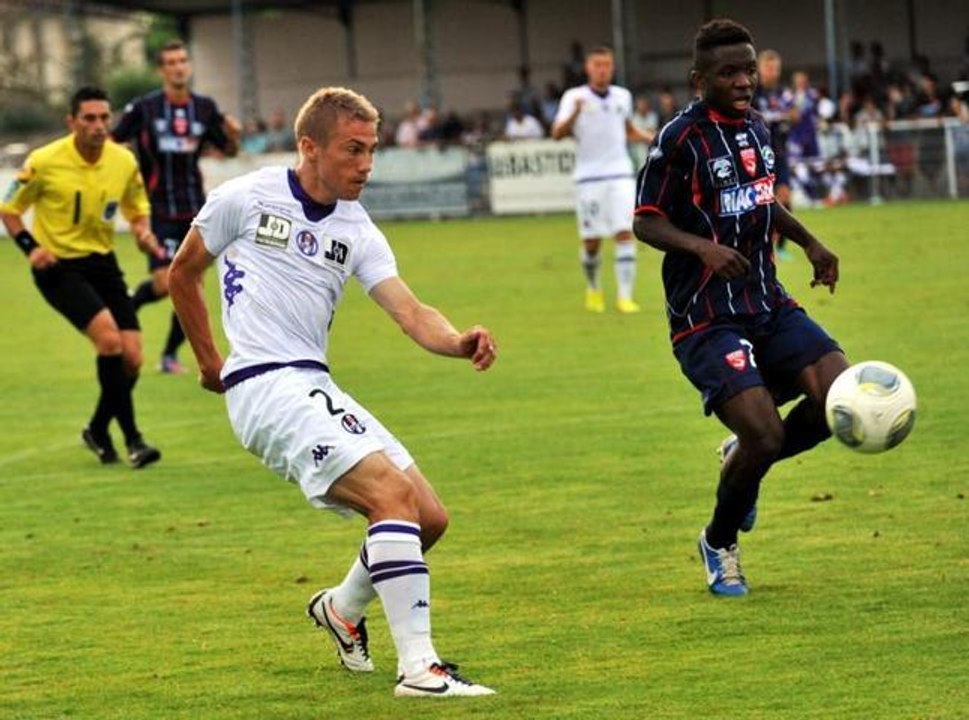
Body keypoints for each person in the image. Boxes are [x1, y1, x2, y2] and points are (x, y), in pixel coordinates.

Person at [168, 86, 497, 697]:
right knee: (391, 496)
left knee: (428, 518)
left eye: (372, 149)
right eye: (353, 149)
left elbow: (410, 312)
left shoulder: (357, 227)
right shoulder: (245, 197)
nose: (367, 164)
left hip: (311, 380)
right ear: (309, 147)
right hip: (266, 384)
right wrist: (211, 362)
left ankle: (342, 609)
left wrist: (457, 341)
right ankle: (420, 670)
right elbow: (182, 272)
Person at [633, 19, 848, 597]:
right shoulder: (680, 138)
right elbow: (646, 221)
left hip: (766, 300)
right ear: (699, 79)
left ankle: (743, 456)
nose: (743, 81)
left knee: (838, 398)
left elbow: (760, 200)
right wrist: (702, 247)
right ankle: (719, 542)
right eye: (728, 73)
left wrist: (810, 242)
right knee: (766, 436)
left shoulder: (756, 126)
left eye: (748, 70)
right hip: (705, 315)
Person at [0, 87, 164, 468]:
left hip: (102, 263)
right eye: (89, 118)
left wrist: (142, 231)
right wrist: (31, 248)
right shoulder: (44, 161)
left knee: (133, 358)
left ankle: (97, 429)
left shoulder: (123, 160)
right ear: (71, 121)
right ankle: (134, 440)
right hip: (58, 267)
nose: (99, 125)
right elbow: (9, 208)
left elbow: (137, 206)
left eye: (104, 117)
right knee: (109, 341)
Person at [112, 39, 240, 375]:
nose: (178, 67)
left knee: (191, 286)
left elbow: (228, 150)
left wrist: (233, 135)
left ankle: (169, 355)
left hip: (196, 210)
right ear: (161, 70)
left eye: (182, 60)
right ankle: (124, 308)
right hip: (157, 209)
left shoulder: (205, 108)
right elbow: (112, 142)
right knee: (163, 283)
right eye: (170, 62)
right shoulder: (144, 108)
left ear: (189, 66)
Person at [552, 46, 654, 314]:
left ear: (612, 67)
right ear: (588, 68)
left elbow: (627, 130)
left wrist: (652, 138)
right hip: (589, 179)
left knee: (625, 232)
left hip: (620, 174)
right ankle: (594, 288)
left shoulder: (622, 96)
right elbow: (557, 134)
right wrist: (575, 113)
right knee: (592, 241)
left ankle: (625, 297)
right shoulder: (574, 97)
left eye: (607, 65)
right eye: (597, 65)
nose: (602, 70)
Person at [753, 48, 797, 259]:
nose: (773, 72)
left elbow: (795, 114)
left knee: (785, 196)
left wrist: (790, 115)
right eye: (769, 68)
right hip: (758, 153)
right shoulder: (753, 94)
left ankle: (780, 247)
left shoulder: (783, 93)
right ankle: (767, 247)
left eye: (776, 69)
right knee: (764, 200)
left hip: (779, 151)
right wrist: (780, 116)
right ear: (760, 69)